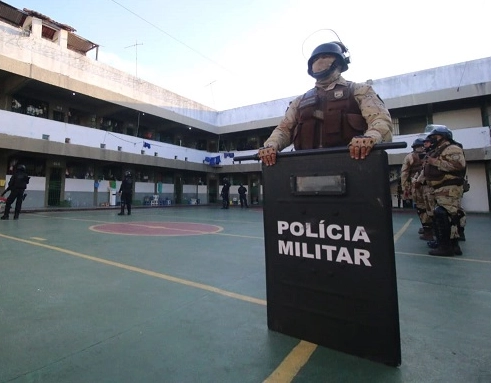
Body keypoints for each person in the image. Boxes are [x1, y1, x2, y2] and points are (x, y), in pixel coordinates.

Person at [258, 41, 393, 165]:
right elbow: (283, 130)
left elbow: (380, 120)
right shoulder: (299, 101)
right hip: (305, 166)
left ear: (339, 62)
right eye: (316, 59)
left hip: (353, 162)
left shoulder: (360, 90)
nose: (320, 61)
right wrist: (271, 145)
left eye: (326, 56)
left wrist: (370, 137)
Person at [421, 125, 466, 256]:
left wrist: (434, 162)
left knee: (446, 214)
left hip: (449, 187)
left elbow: (458, 165)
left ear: (443, 137)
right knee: (444, 215)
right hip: (439, 188)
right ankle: (451, 245)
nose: (433, 139)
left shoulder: (452, 148)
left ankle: (447, 247)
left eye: (435, 137)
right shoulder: (438, 150)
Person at [400, 138, 426, 230]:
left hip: (416, 186)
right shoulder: (430, 154)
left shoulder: (410, 157)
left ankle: (427, 229)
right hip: (429, 186)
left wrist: (405, 189)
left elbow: (404, 174)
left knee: (421, 207)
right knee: (430, 207)